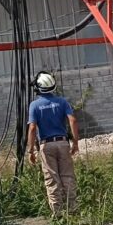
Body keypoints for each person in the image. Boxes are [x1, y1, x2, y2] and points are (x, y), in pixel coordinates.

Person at [27, 71, 80, 217]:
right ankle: (73, 210)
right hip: (63, 143)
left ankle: (58, 214)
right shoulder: (62, 102)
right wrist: (75, 143)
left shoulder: (34, 105)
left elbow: (32, 128)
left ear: (38, 88)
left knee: (52, 179)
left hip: (46, 145)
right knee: (67, 177)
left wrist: (30, 151)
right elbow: (73, 120)